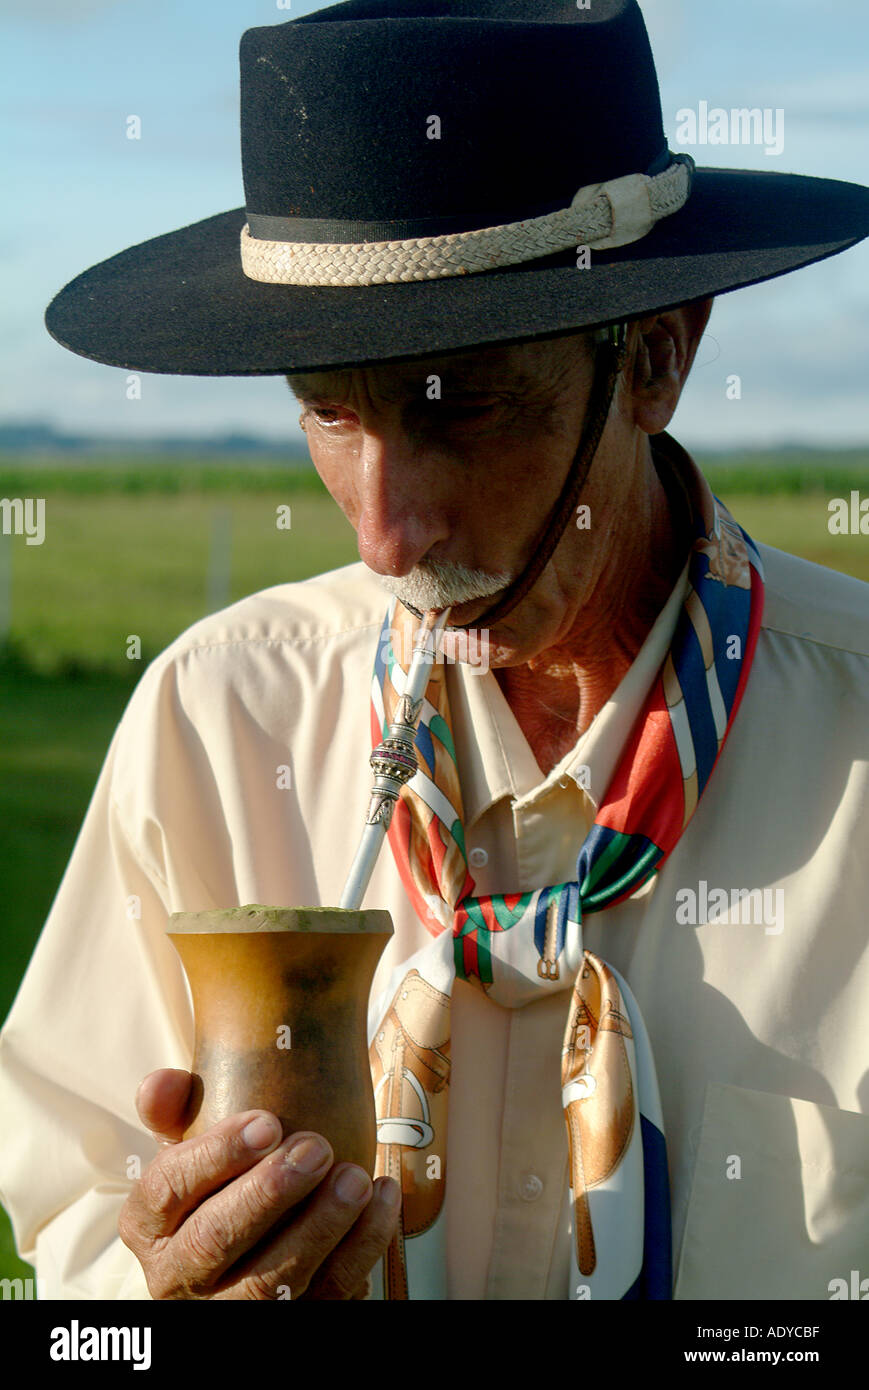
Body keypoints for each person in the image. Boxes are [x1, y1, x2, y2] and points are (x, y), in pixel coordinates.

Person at [2, 0, 868, 1301]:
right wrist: (156, 1303)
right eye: (328, 413)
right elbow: (70, 1249)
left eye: (456, 405)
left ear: (657, 357)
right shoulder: (215, 720)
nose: (384, 535)